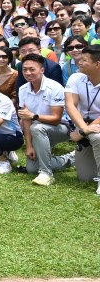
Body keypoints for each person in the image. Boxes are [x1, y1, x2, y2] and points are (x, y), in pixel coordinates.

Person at [18, 53, 73, 186]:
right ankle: (72, 158)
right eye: (25, 69)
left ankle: (46, 173)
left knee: (36, 126)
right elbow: (25, 119)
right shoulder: (22, 89)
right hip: (38, 130)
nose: (28, 73)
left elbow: (56, 119)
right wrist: (29, 145)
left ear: (42, 70)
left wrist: (33, 116)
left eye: (32, 69)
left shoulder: (55, 88)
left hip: (63, 128)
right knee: (32, 168)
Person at [66, 44, 100, 194]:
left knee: (97, 136)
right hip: (84, 126)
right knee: (85, 177)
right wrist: (83, 129)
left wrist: (82, 132)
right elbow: (70, 105)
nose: (79, 62)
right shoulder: (75, 78)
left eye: (84, 60)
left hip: (95, 127)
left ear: (97, 64)